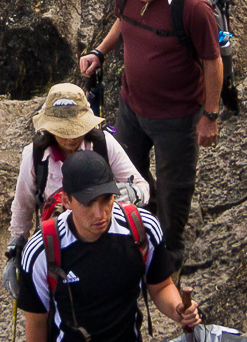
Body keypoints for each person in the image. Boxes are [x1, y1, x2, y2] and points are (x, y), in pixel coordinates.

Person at [77, 0, 221, 256]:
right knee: (130, 178)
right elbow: (122, 22)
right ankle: (145, 228)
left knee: (176, 190)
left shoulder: (192, 7)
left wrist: (209, 116)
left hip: (177, 117)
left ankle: (170, 254)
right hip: (131, 108)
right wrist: (99, 51)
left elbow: (212, 63)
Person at [15, 151, 198, 342]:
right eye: (88, 203)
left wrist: (178, 309)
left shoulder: (142, 228)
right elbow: (36, 322)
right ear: (67, 201)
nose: (99, 214)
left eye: (106, 199)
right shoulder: (42, 250)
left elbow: (160, 287)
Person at [8, 84, 150, 246]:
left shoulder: (104, 144)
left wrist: (132, 193)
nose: (70, 138)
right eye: (62, 131)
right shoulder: (34, 156)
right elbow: (22, 206)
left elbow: (142, 186)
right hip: (56, 238)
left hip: (103, 231)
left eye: (76, 130)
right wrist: (16, 245)